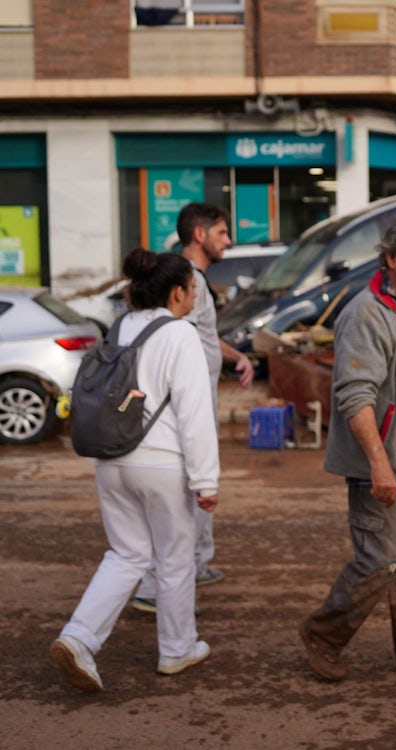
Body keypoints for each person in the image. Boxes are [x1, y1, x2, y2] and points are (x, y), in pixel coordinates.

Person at [51, 248, 219, 691]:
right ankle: (177, 649)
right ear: (178, 291)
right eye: (193, 290)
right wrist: (206, 480)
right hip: (161, 463)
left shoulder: (119, 327)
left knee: (126, 554)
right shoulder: (180, 334)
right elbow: (194, 413)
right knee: (175, 558)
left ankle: (79, 637)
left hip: (110, 458)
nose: (195, 298)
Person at [298, 214, 396, 682]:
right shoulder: (366, 313)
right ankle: (323, 635)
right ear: (391, 258)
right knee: (379, 562)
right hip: (383, 465)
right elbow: (355, 395)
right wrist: (379, 465)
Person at [132, 202, 253, 612]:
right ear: (199, 234)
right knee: (189, 494)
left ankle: (191, 568)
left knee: (191, 493)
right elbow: (177, 339)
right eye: (222, 232)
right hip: (185, 403)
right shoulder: (185, 282)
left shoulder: (193, 281)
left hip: (193, 397)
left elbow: (202, 335)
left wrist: (236, 356)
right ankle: (157, 590)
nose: (228, 240)